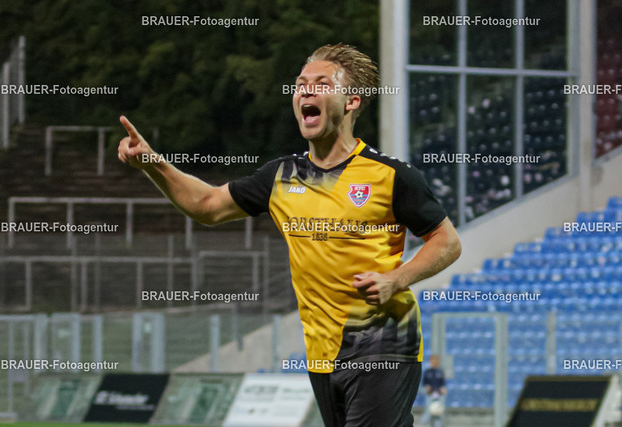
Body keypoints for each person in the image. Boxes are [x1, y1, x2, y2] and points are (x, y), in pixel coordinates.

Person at [118, 43, 461, 427]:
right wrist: (152, 163)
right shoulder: (280, 177)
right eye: (300, 85)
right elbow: (208, 205)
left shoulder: (392, 176)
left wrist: (396, 279)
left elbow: (447, 241)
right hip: (321, 352)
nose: (306, 91)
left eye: (321, 84)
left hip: (384, 343)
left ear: (351, 101)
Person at [421, 354, 448, 427]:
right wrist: (427, 388)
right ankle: (423, 424)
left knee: (438, 413)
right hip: (430, 394)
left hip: (439, 395)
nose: (434, 362)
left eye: (436, 360)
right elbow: (424, 384)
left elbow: (443, 384)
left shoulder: (440, 372)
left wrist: (443, 389)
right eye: (433, 360)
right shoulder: (427, 372)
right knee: (428, 411)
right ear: (430, 361)